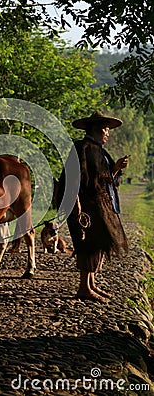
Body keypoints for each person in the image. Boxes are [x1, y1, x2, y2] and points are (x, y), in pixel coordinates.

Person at [59, 111, 129, 302]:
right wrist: (75, 202)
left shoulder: (99, 150)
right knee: (87, 244)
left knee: (98, 242)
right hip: (86, 205)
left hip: (100, 205)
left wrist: (115, 169)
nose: (108, 133)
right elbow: (75, 177)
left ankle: (91, 283)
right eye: (106, 129)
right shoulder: (82, 148)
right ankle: (84, 287)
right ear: (97, 129)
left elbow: (103, 179)